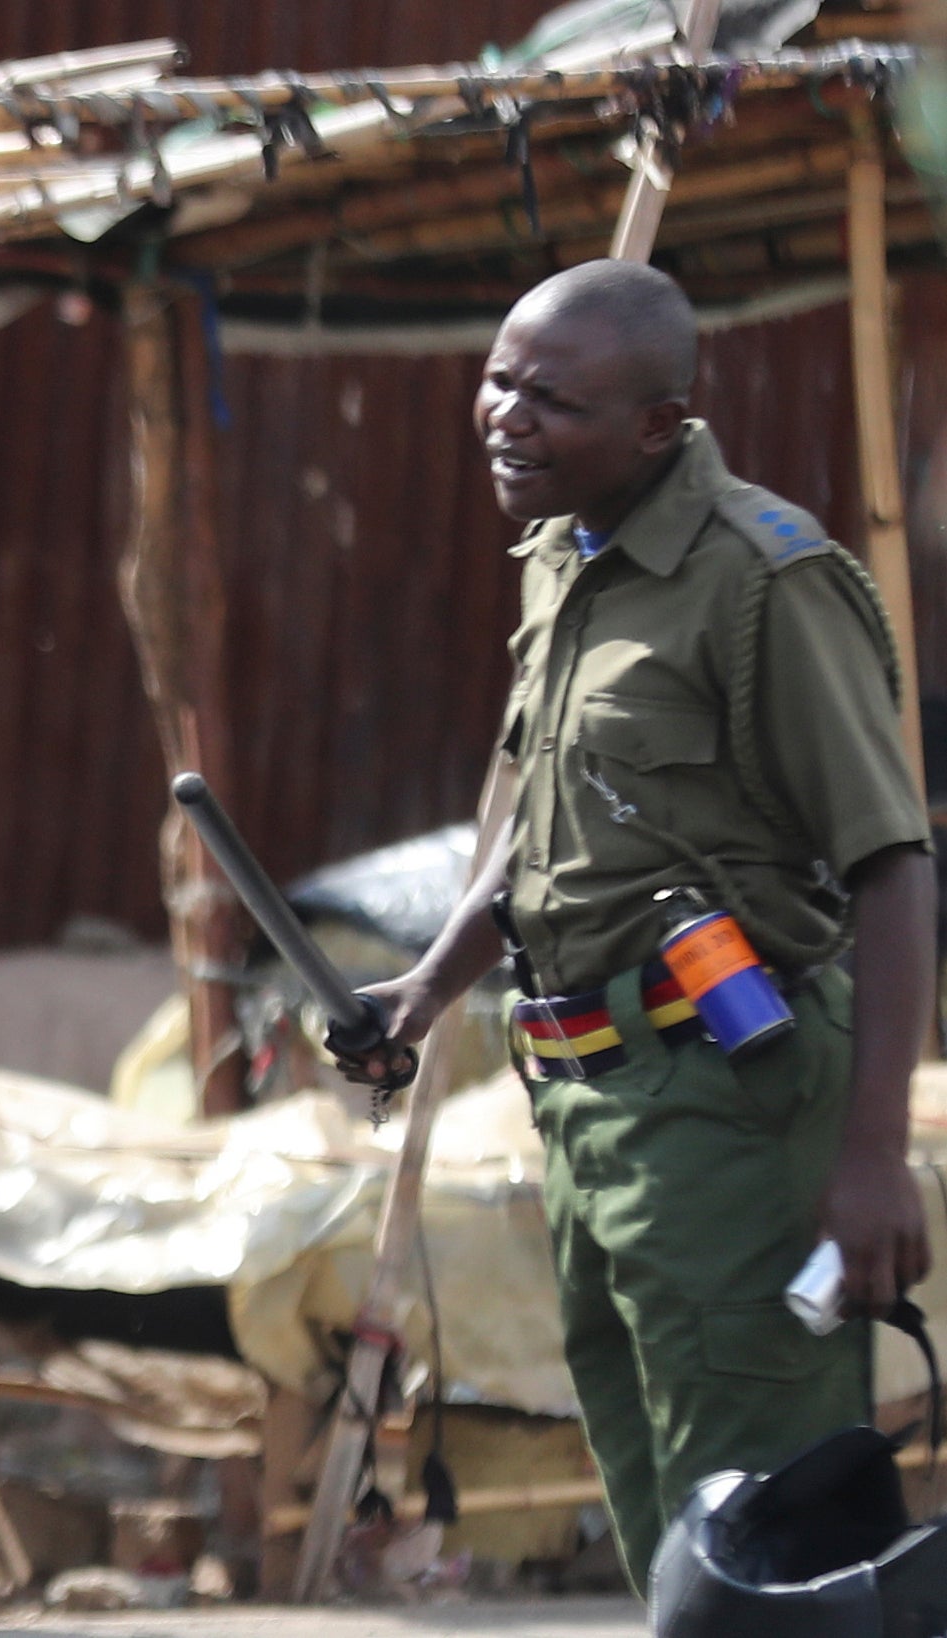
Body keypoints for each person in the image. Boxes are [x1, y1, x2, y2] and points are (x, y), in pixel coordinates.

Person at [339, 259, 936, 1583]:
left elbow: (895, 866)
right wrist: (423, 992)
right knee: (672, 1537)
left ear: (659, 425)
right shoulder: (565, 554)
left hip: (734, 1102)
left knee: (758, 1548)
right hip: (589, 1109)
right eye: (497, 378)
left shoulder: (765, 581)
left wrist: (874, 1158)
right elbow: (559, 830)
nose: (504, 415)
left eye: (551, 398)